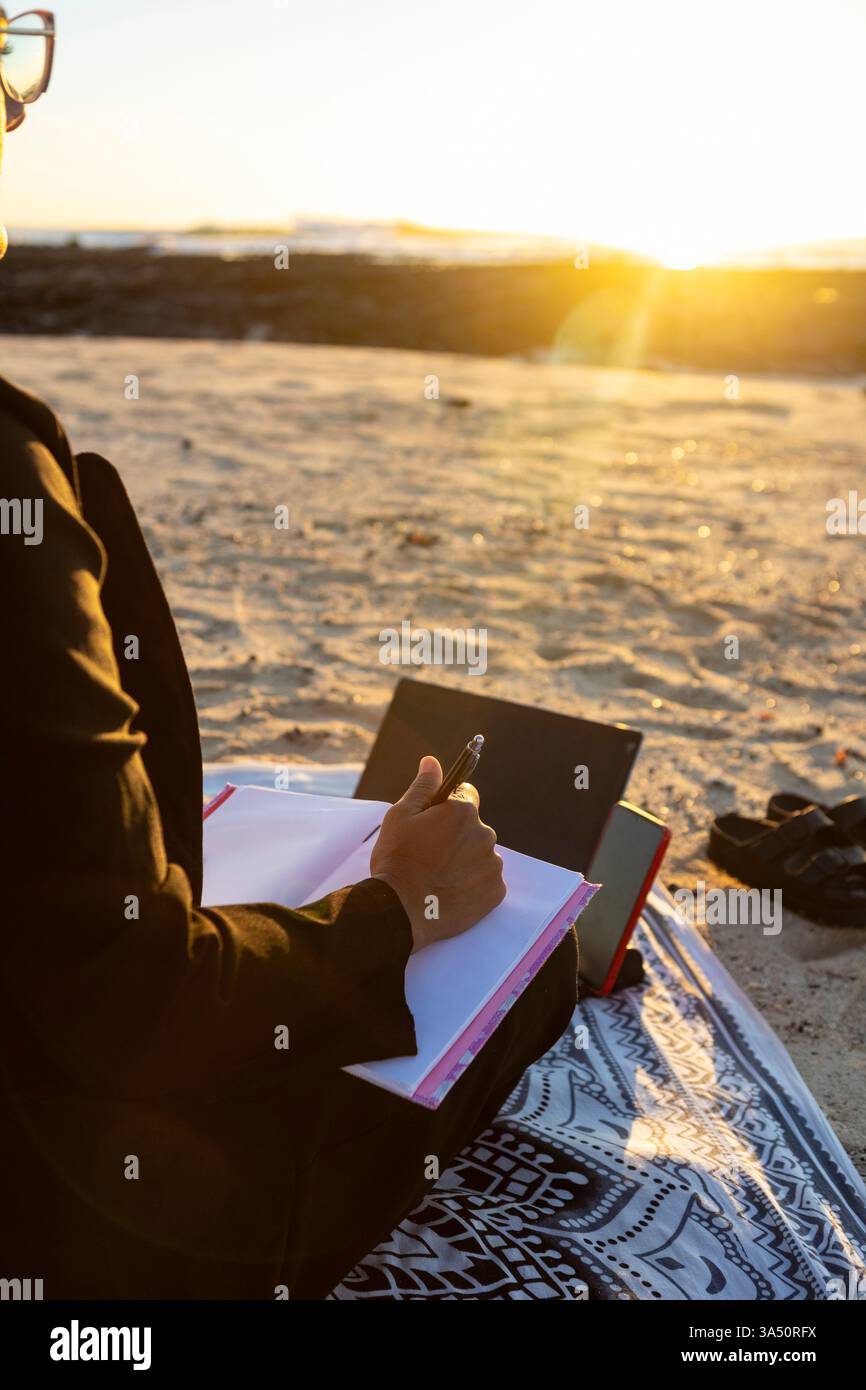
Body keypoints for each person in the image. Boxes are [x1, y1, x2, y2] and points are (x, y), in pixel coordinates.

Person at [0, 11, 578, 1298]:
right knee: (516, 987)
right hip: (62, 1212)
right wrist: (393, 911)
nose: (18, 106)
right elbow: (133, 1007)